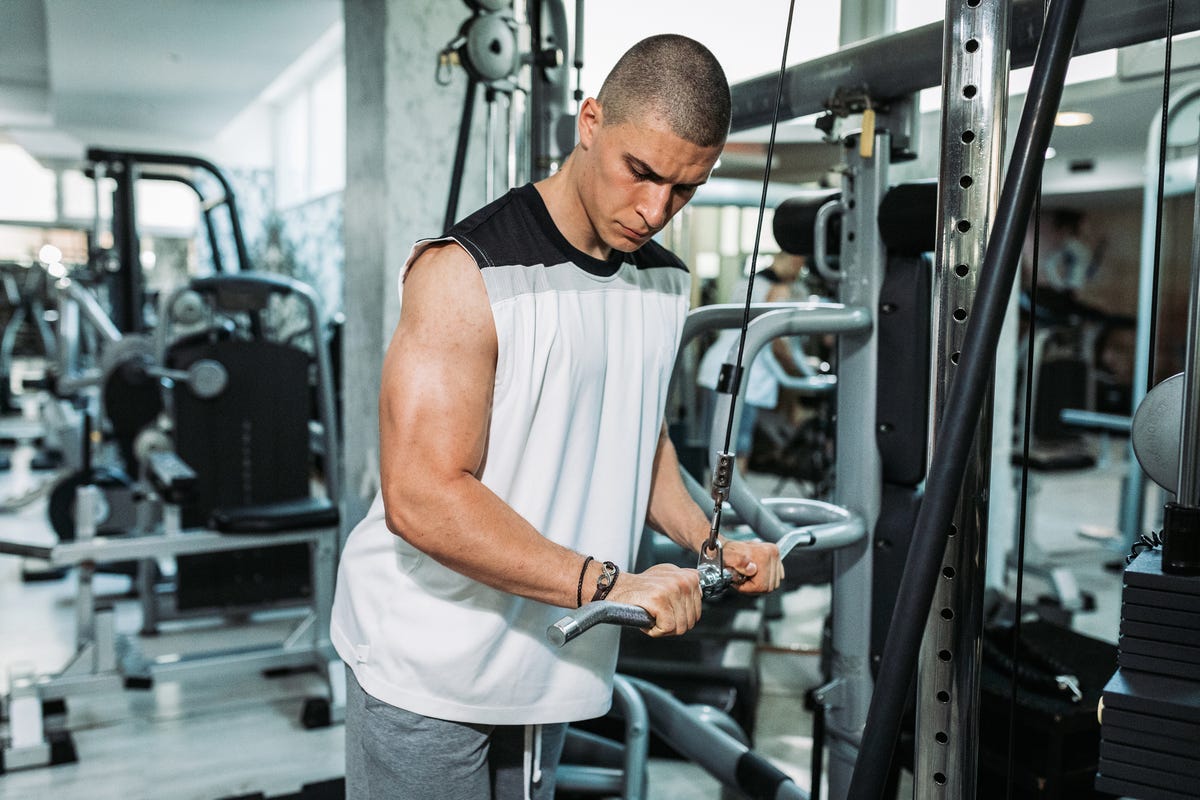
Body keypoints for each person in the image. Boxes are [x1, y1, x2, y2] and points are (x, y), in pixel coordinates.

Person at [330, 34, 783, 800]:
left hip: (553, 656)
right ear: (591, 120)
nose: (654, 210)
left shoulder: (664, 286)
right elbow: (422, 497)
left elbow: (638, 439)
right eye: (640, 172)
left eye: (683, 190)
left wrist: (709, 541)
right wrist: (608, 583)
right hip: (430, 665)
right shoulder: (465, 273)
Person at [697, 251, 812, 474]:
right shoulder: (778, 290)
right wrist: (802, 372)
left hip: (717, 368)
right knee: (735, 451)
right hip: (741, 374)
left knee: (719, 449)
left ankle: (721, 504)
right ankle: (729, 506)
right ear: (795, 260)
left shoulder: (746, 284)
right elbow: (777, 340)